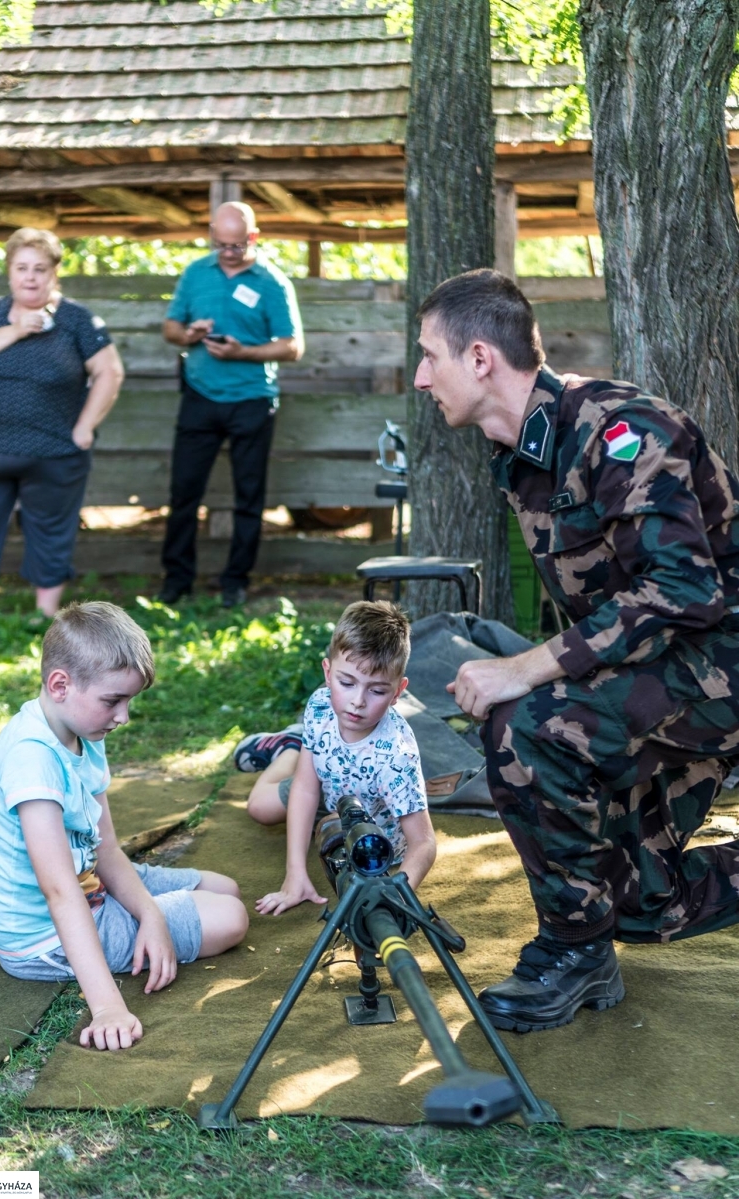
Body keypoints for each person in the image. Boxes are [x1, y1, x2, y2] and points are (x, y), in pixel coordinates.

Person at [413, 267, 739, 1033]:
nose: (422, 378)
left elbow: (685, 591)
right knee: (639, 900)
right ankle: (592, 932)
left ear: (481, 358)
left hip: (720, 657)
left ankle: (571, 951)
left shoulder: (621, 429)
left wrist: (525, 667)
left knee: (531, 722)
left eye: (429, 356)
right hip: (667, 672)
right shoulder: (523, 452)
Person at [0, 601, 248, 1052]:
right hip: (43, 937)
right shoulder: (31, 760)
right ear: (60, 685)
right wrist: (106, 1008)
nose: (124, 717)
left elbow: (106, 847)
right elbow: (60, 891)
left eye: (129, 701)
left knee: (226, 888)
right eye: (113, 700)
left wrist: (150, 914)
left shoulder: (83, 731)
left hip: (89, 883)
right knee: (230, 917)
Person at [0, 227, 124, 622]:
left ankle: (45, 615)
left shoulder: (76, 319)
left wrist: (85, 427)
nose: (30, 277)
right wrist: (17, 329)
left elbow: (110, 372)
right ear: (9, 271)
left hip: (54, 452)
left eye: (40, 269)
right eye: (22, 268)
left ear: (54, 272)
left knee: (51, 530)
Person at [239, 600, 436, 916]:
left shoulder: (397, 758)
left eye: (377, 691)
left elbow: (423, 843)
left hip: (362, 822)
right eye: (346, 683)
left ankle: (297, 745)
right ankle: (289, 747)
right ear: (328, 673)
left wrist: (397, 895)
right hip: (327, 788)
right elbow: (305, 788)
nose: (357, 701)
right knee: (259, 807)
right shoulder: (320, 706)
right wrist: (295, 874)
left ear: (398, 692)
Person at [157, 201, 304, 609]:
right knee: (183, 492)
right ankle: (176, 581)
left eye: (236, 245)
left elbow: (292, 346)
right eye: (220, 244)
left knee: (249, 497)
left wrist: (244, 352)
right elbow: (170, 327)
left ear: (253, 237)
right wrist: (188, 335)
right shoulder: (195, 273)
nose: (227, 252)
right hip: (199, 395)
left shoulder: (272, 282)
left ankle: (235, 582)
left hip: (252, 400)